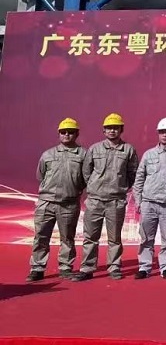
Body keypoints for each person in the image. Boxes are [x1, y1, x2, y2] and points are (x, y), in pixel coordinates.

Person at [73, 113, 139, 281]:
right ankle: (87, 268)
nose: (112, 131)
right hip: (95, 200)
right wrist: (95, 187)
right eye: (109, 128)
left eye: (115, 128)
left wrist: (120, 187)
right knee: (90, 237)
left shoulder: (128, 150)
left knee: (114, 237)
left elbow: (133, 173)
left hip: (115, 201)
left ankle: (114, 267)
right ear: (103, 131)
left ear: (121, 130)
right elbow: (86, 172)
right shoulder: (94, 149)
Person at [27, 118, 88, 282]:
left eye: (70, 132)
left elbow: (87, 178)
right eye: (63, 132)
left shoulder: (84, 155)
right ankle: (37, 268)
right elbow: (40, 175)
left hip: (69, 203)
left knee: (67, 238)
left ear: (77, 134)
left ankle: (65, 267)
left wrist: (72, 190)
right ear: (59, 134)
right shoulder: (48, 154)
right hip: (46, 202)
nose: (66, 134)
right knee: (41, 236)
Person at [132, 118, 166, 279]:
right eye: (162, 132)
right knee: (146, 238)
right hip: (149, 203)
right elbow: (139, 178)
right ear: (158, 134)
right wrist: (138, 201)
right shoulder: (149, 154)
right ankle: (144, 267)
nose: (165, 135)